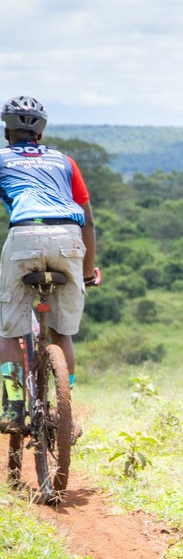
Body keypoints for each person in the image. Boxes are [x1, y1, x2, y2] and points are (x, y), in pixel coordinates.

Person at [0, 95, 99, 428]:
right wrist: (86, 274)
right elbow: (89, 220)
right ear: (40, 134)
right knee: (62, 332)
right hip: (69, 238)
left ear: (6, 132)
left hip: (25, 236)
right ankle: (64, 409)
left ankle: (14, 407)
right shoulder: (65, 161)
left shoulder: (1, 158)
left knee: (11, 330)